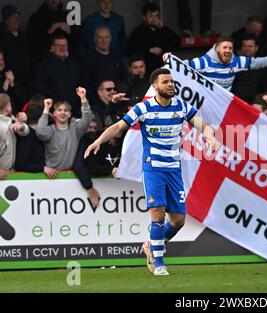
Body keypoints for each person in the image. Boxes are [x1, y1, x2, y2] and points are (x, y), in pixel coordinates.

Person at [84, 68, 218, 276]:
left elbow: (203, 125)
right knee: (158, 215)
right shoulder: (143, 108)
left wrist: (210, 136)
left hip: (174, 170)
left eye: (172, 82)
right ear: (155, 86)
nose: (171, 85)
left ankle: (151, 245)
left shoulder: (181, 106)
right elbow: (119, 126)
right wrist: (98, 141)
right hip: (153, 168)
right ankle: (159, 262)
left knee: (178, 221)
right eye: (165, 82)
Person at [164, 35, 267, 91]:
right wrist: (169, 59)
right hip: (205, 106)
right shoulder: (205, 61)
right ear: (217, 49)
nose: (227, 51)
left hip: (222, 106)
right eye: (224, 48)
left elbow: (258, 62)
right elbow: (185, 65)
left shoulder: (236, 61)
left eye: (230, 48)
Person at [36, 87, 93, 171]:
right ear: (54, 114)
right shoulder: (50, 130)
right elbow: (40, 133)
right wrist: (46, 109)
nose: (62, 112)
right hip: (51, 174)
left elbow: (87, 119)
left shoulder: (75, 129)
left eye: (65, 110)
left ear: (69, 114)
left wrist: (83, 98)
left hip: (71, 175)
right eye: (59, 110)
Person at [36, 35, 84, 117]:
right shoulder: (45, 64)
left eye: (64, 45)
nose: (62, 48)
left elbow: (80, 84)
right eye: (59, 45)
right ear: (52, 47)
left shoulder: (74, 63)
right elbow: (42, 89)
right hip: (54, 111)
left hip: (74, 110)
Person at [126, 3, 180, 75]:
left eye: (156, 16)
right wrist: (149, 50)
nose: (154, 19)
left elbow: (177, 42)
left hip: (163, 69)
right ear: (144, 17)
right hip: (146, 72)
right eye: (151, 16)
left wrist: (164, 29)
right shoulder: (137, 32)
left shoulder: (163, 30)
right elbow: (130, 50)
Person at [15, 95, 58, 179]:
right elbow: (20, 165)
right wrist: (42, 168)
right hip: (31, 182)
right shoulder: (26, 136)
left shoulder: (48, 129)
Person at [82, 25, 127, 97]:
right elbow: (85, 84)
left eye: (107, 37)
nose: (104, 40)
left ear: (111, 38)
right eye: (101, 37)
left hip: (116, 102)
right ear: (94, 39)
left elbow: (124, 79)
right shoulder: (87, 59)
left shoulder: (117, 57)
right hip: (95, 104)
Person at [231, 35, 267, 104]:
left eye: (250, 46)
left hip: (252, 106)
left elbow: (264, 89)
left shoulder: (262, 66)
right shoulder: (233, 63)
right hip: (233, 102)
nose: (247, 48)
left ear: (256, 48)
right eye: (244, 46)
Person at [0, 92, 29, 179]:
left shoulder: (12, 119)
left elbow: (26, 131)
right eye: (10, 104)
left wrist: (21, 127)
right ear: (7, 108)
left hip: (10, 172)